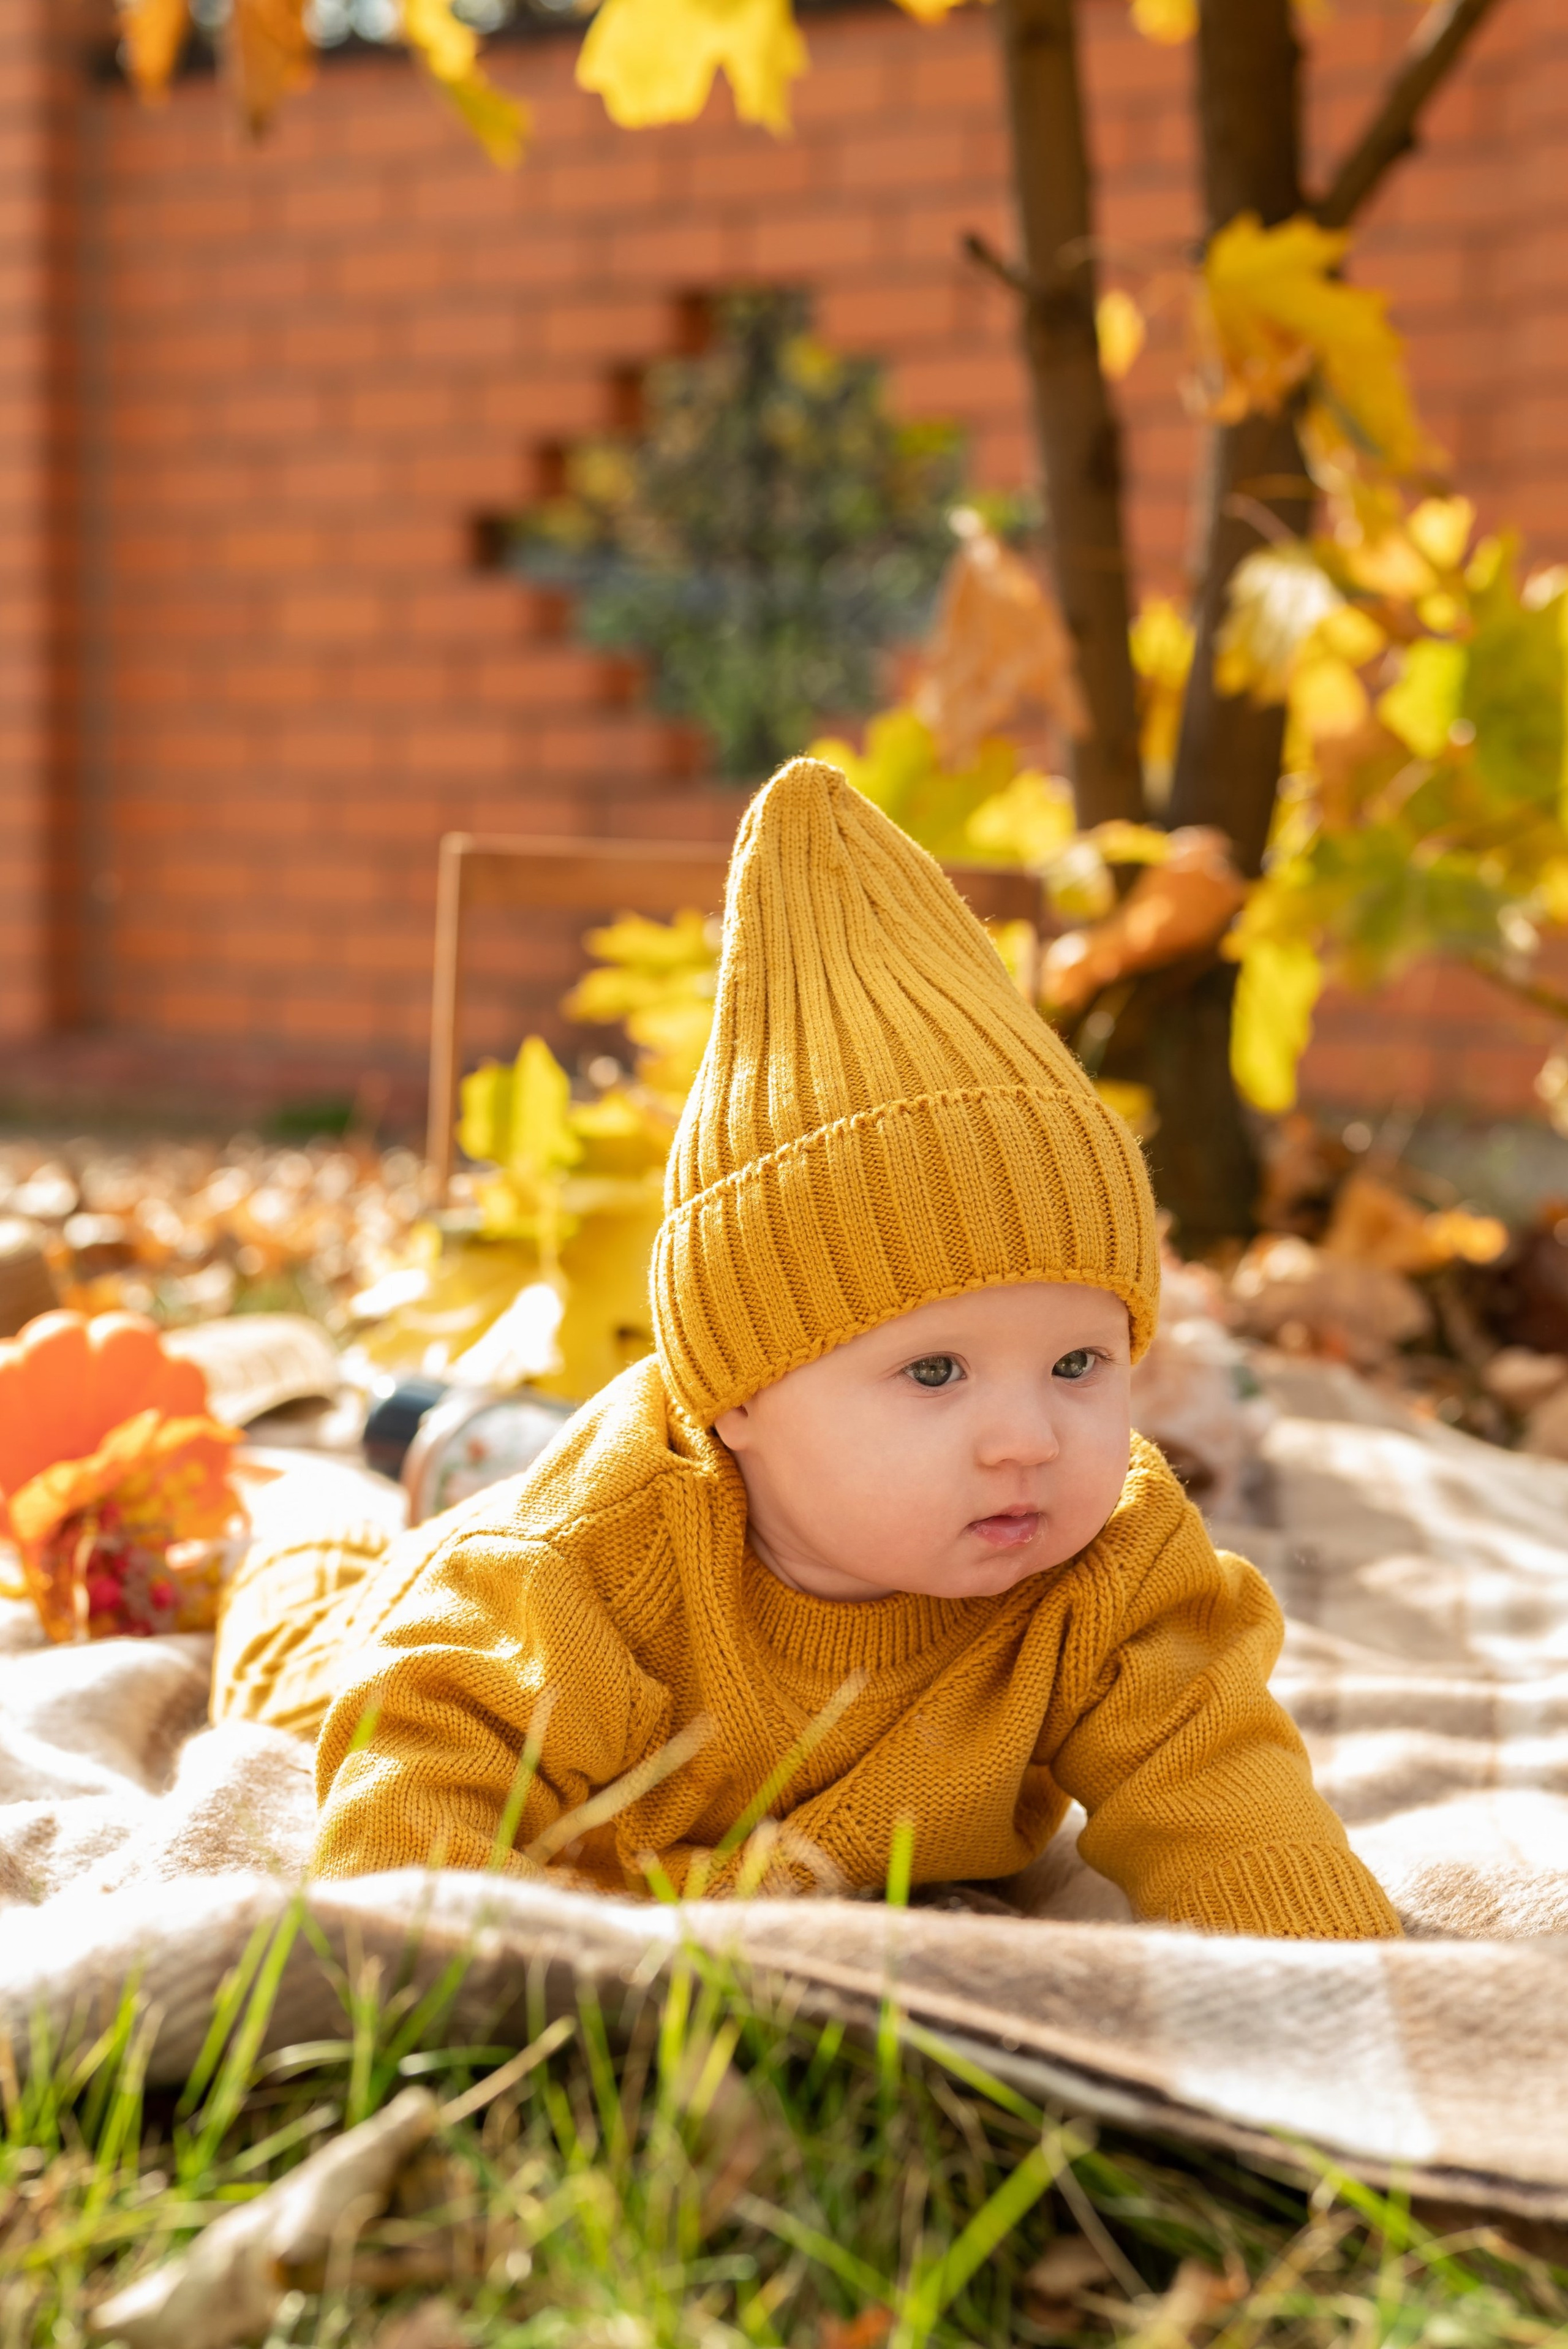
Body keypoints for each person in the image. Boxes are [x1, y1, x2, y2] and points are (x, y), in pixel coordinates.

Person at [213, 758, 1399, 1936]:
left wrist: (1334, 1980)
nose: (1028, 1440)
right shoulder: (582, 1570)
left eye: (1078, 1364)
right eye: (934, 1371)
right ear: (735, 1397)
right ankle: (296, 1520)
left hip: (736, 1836)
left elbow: (1225, 1786)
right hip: (413, 1643)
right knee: (312, 1626)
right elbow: (408, 1845)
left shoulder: (1110, 1567)